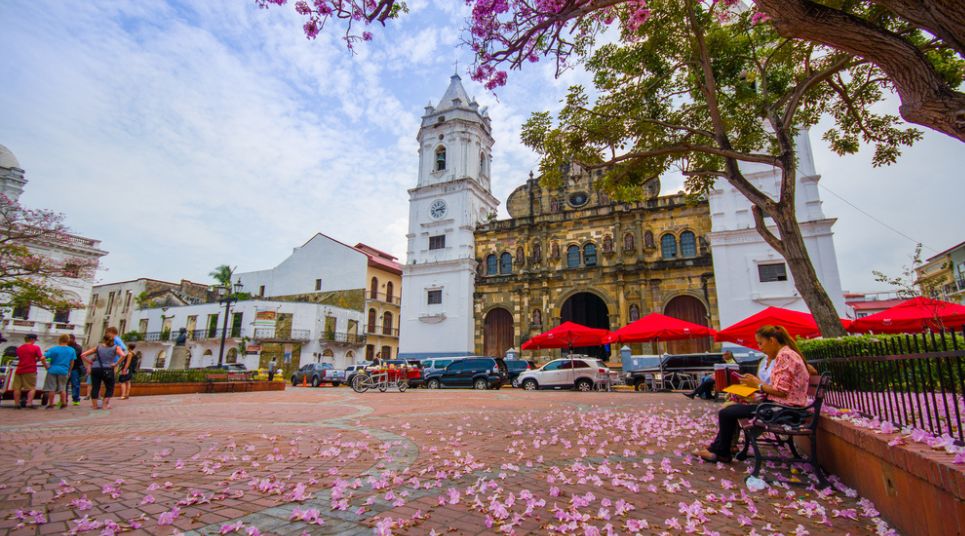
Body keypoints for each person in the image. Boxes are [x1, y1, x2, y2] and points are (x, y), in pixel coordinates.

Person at [696, 325, 812, 463]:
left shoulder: (785, 356)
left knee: (727, 413)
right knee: (729, 410)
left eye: (761, 343)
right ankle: (718, 449)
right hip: (781, 407)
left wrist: (757, 384)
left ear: (772, 341)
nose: (760, 348)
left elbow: (781, 391)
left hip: (784, 410)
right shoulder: (786, 354)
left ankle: (722, 452)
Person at [81, 335, 125, 410]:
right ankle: (105, 405)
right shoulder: (115, 347)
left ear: (104, 340)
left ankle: (95, 405)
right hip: (108, 368)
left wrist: (91, 362)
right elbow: (123, 355)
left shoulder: (98, 347)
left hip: (96, 368)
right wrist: (116, 364)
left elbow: (83, 355)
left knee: (95, 387)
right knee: (109, 387)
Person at [11, 334, 46, 409]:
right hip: (30, 369)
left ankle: (16, 404)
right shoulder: (35, 348)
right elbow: (42, 357)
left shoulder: (20, 348)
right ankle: (29, 403)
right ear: (32, 339)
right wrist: (44, 364)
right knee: (31, 388)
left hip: (20, 369)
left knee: (17, 388)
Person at [42, 334, 75, 409]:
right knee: (62, 388)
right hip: (64, 370)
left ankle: (51, 403)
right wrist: (69, 370)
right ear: (68, 340)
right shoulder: (71, 350)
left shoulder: (53, 349)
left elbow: (42, 357)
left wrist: (46, 366)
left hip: (53, 369)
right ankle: (63, 403)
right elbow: (72, 362)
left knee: (51, 388)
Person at [67, 334, 85, 406]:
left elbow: (74, 356)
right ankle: (64, 399)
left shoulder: (78, 347)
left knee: (75, 384)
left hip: (75, 368)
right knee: (65, 384)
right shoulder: (66, 346)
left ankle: (76, 399)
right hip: (66, 368)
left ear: (73, 339)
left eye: (69, 339)